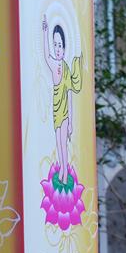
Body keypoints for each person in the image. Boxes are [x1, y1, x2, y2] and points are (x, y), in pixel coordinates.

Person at [43, 16, 82, 184]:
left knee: (63, 142)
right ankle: (62, 170)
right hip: (56, 109)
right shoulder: (54, 64)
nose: (57, 49)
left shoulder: (65, 68)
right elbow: (46, 55)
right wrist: (45, 33)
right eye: (55, 45)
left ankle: (65, 173)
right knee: (58, 142)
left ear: (64, 49)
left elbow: (70, 95)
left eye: (60, 45)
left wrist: (71, 122)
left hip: (65, 111)